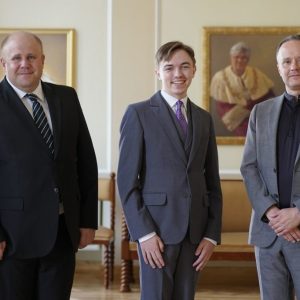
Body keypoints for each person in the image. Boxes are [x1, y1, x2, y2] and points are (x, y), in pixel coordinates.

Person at [117, 41, 222, 300]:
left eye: (185, 66)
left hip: (195, 233)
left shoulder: (203, 118)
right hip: (157, 232)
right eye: (170, 67)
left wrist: (211, 235)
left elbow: (212, 182)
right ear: (158, 72)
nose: (178, 74)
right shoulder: (138, 113)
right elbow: (127, 182)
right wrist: (144, 234)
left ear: (195, 70)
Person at [0, 31, 98, 300]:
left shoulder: (66, 98)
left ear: (42, 60)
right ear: (3, 63)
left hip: (62, 233)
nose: (25, 63)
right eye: (16, 57)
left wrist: (88, 220)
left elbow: (86, 161)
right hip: (12, 236)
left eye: (31, 56)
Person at [240, 34, 300, 299]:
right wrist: (272, 212)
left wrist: (298, 215)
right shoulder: (260, 112)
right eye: (286, 61)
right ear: (279, 68)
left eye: (299, 60)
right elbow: (249, 167)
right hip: (269, 231)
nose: (293, 66)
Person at [210, 41, 275, 136]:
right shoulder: (220, 77)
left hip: (257, 119)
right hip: (234, 122)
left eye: (244, 58)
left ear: (248, 60)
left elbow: (269, 97)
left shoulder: (257, 74)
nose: (240, 60)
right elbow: (221, 107)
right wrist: (244, 111)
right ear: (231, 58)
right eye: (236, 57)